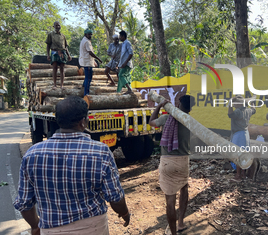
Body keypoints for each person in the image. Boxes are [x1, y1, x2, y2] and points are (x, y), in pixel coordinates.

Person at [13, 96, 130, 235]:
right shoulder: (100, 152)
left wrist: (35, 226)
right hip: (93, 228)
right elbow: (115, 197)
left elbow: (24, 203)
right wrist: (124, 212)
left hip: (51, 230)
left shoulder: (32, 154)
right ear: (83, 122)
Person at [149, 95, 195, 235]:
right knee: (184, 188)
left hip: (168, 161)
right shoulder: (191, 122)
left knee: (170, 198)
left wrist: (159, 106)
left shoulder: (167, 119)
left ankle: (173, 232)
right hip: (183, 161)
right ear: (191, 107)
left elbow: (151, 122)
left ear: (180, 104)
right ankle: (180, 222)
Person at [228, 95, 256, 181]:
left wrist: (229, 105)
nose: (234, 104)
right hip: (245, 134)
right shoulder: (248, 110)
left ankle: (238, 175)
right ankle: (243, 174)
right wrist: (252, 102)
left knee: (238, 155)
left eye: (235, 103)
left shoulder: (238, 111)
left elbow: (230, 114)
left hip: (238, 135)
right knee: (244, 154)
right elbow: (254, 110)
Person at [46, 21, 72, 89]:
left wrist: (68, 55)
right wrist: (48, 55)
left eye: (58, 25)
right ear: (53, 26)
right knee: (54, 68)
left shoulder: (63, 35)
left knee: (62, 69)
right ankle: (54, 85)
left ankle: (62, 85)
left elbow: (65, 46)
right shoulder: (51, 34)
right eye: (56, 25)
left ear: (60, 26)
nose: (57, 27)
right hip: (54, 52)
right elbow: (48, 45)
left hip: (62, 53)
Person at [79, 29, 102, 96]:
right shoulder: (86, 42)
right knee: (89, 78)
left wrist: (94, 61)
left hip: (87, 61)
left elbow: (88, 52)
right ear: (85, 34)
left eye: (91, 34)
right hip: (87, 62)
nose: (90, 35)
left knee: (87, 77)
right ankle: (86, 93)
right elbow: (90, 52)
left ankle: (83, 86)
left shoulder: (84, 40)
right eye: (89, 34)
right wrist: (98, 59)